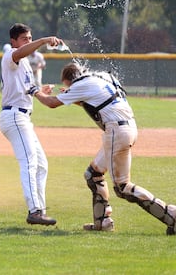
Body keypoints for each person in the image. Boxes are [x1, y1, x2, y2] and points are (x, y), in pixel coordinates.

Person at [35, 62, 176, 234]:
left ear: (70, 80)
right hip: (127, 127)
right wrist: (75, 96)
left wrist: (36, 91)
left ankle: (172, 215)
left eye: (68, 86)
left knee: (122, 187)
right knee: (93, 175)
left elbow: (51, 103)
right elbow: (101, 100)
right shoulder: (102, 76)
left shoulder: (80, 84)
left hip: (117, 131)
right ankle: (103, 222)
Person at [0, 23, 62, 226]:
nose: (28, 40)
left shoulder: (25, 63)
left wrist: (42, 90)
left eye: (30, 37)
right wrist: (43, 41)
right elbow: (21, 53)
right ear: (14, 41)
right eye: (25, 38)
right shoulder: (10, 54)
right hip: (14, 117)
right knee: (29, 162)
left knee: (41, 165)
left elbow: (26, 89)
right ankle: (34, 211)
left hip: (23, 117)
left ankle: (39, 207)